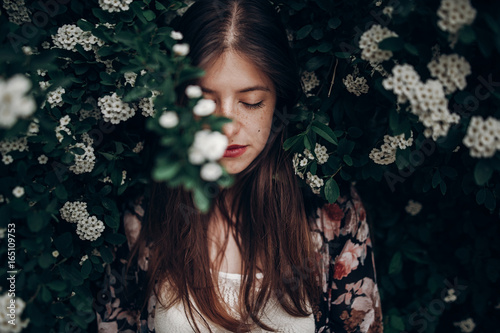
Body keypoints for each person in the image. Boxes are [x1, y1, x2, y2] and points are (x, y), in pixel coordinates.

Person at [93, 0, 383, 332]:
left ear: (278, 101)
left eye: (251, 102)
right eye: (204, 100)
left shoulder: (332, 214)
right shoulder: (143, 218)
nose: (226, 127)